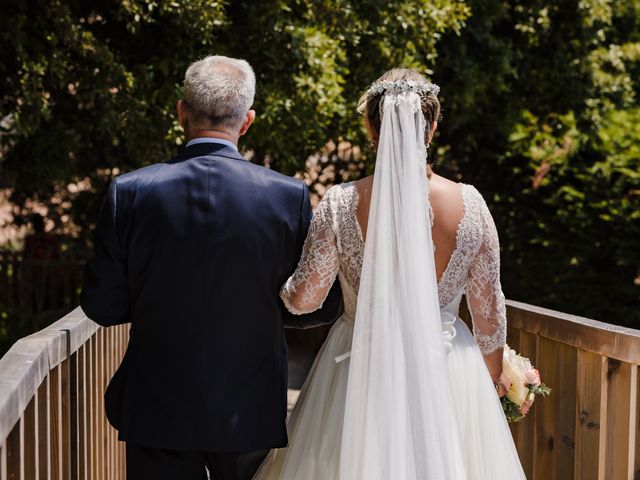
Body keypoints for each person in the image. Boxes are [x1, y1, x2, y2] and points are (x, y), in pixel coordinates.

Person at [255, 68, 526, 479]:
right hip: (448, 369)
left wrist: (280, 284)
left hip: (360, 366)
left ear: (370, 127)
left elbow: (304, 299)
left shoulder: (341, 203)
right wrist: (494, 380)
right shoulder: (470, 205)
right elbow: (490, 316)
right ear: (432, 126)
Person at [80, 55, 342, 480]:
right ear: (247, 121)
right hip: (250, 405)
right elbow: (317, 307)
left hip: (156, 406)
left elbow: (102, 306)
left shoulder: (129, 192)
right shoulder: (286, 196)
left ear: (182, 112)